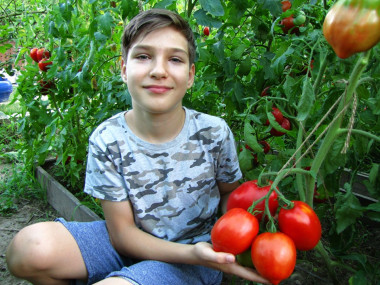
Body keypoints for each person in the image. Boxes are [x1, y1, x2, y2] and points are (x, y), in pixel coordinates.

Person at [6, 9, 269, 285]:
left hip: (196, 258)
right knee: (26, 250)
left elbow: (231, 195)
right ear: (123, 69)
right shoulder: (107, 138)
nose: (158, 70)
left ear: (190, 76)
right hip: (129, 244)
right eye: (143, 56)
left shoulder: (214, 133)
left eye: (175, 59)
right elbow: (122, 234)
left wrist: (237, 239)